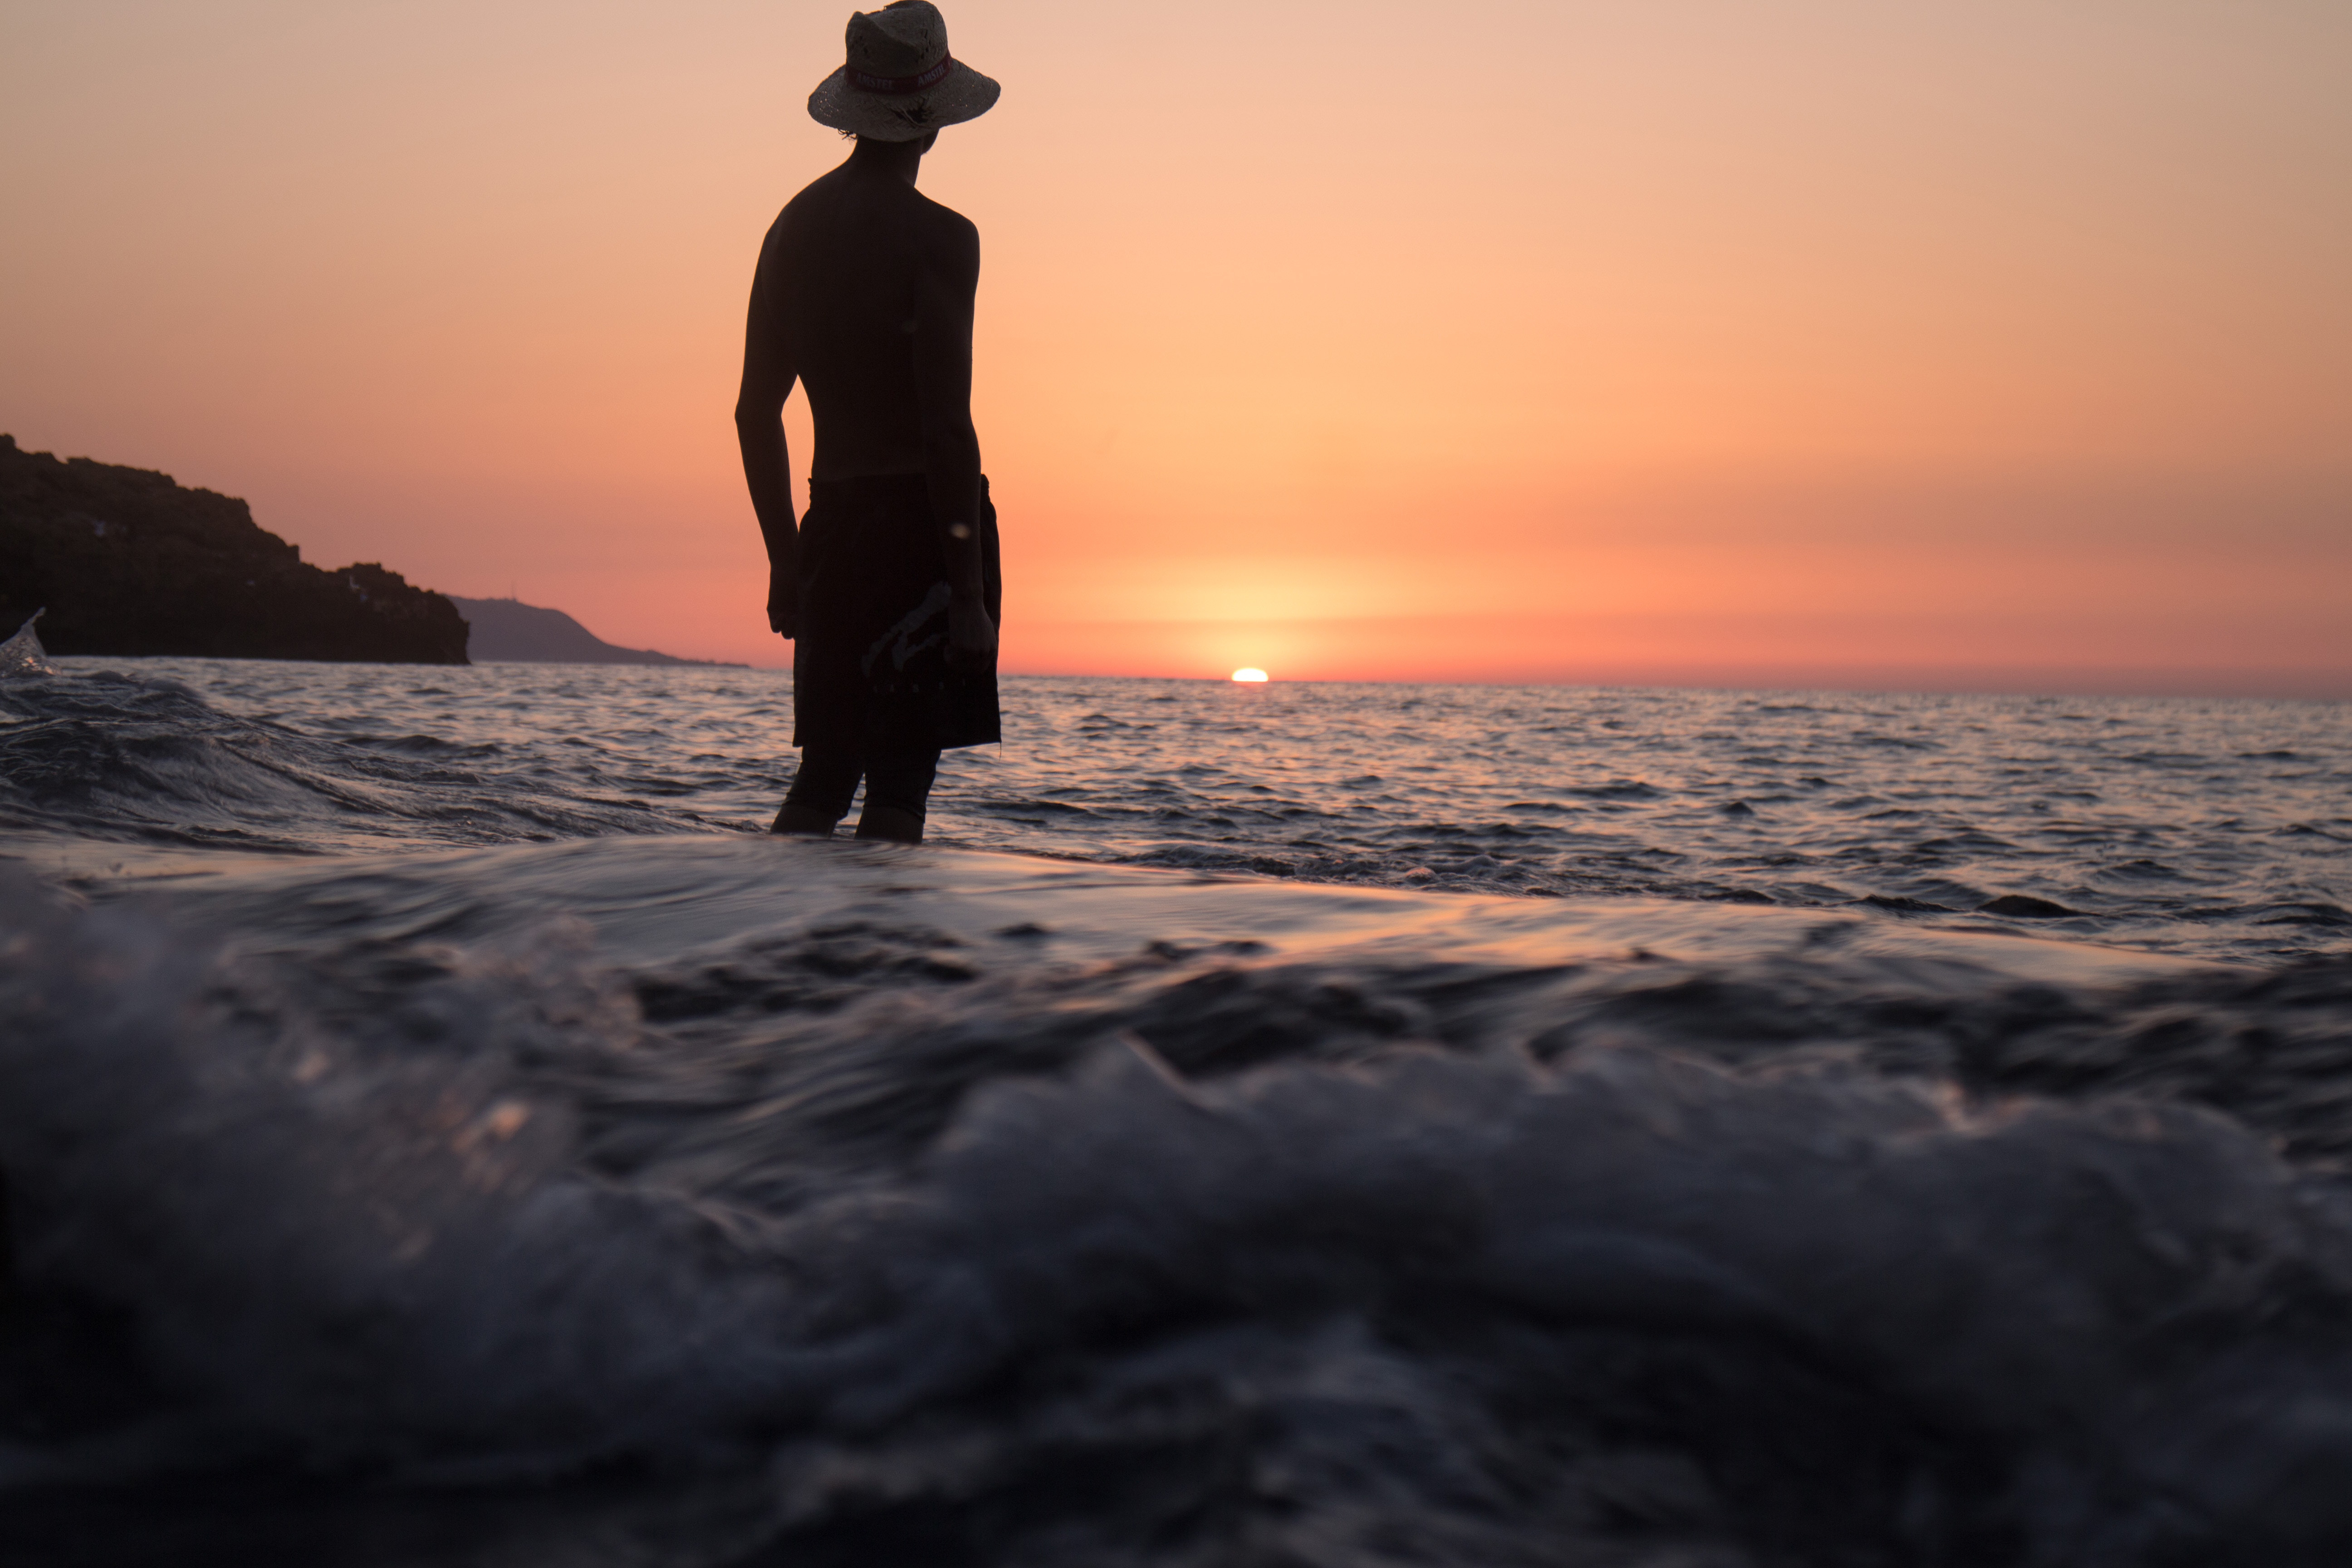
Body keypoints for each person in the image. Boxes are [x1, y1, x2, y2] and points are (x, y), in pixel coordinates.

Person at [735, 1, 1002, 843]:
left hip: (834, 531)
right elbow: (944, 430)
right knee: (898, 791)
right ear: (930, 125)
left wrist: (787, 560)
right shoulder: (941, 239)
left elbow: (755, 413)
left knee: (823, 777)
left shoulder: (789, 233)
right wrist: (964, 594)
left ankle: (769, 960)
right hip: (922, 532)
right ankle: (874, 970)